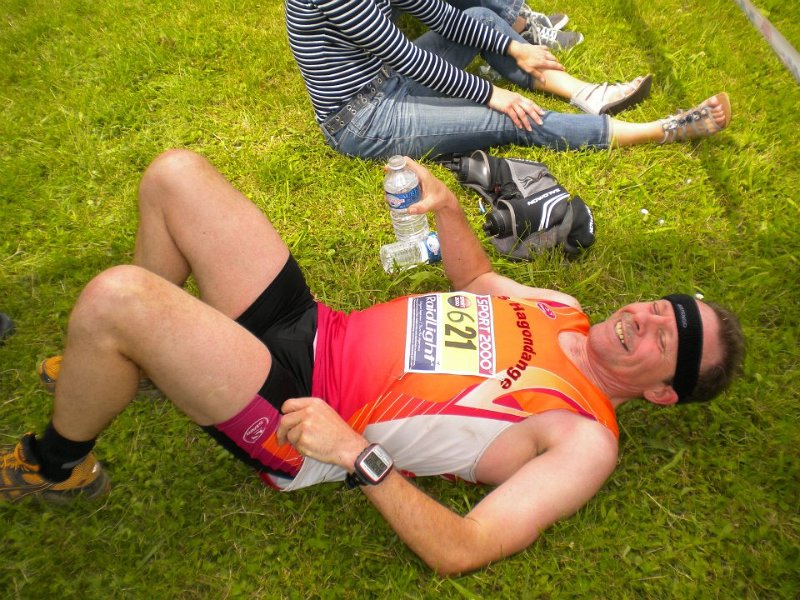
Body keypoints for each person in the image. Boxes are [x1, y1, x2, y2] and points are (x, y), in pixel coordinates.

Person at [0, 150, 744, 575]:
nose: (647, 320)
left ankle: (59, 465)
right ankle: (132, 362)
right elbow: (479, 282)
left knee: (117, 299)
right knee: (175, 175)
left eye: (667, 341)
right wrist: (447, 210)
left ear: (662, 394)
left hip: (299, 413)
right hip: (312, 328)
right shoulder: (562, 307)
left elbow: (465, 547)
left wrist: (356, 453)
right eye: (661, 307)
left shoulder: (585, 438)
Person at [286, 0, 731, 159]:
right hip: (361, 119)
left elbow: (440, 14)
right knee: (512, 118)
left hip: (388, 79)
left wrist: (515, 48)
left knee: (480, 16)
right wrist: (491, 93)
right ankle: (658, 130)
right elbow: (406, 56)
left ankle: (585, 93)